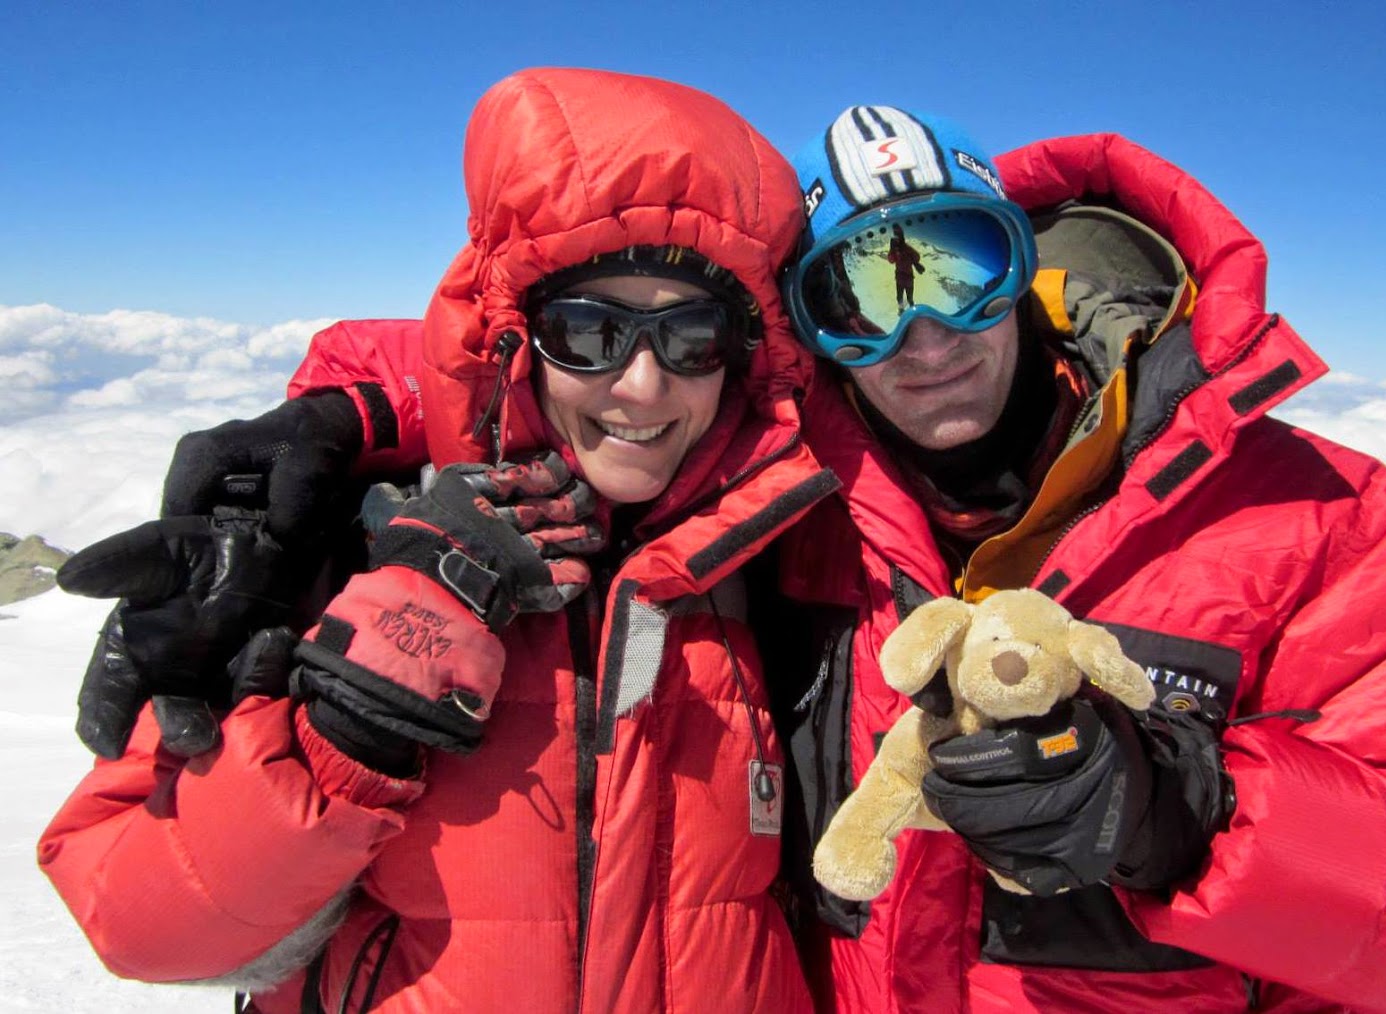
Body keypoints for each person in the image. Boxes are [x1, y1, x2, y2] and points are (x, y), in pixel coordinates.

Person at [763, 106, 1386, 1011]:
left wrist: (1189, 813)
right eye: (857, 299)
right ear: (806, 331)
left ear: (1023, 266)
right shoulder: (783, 528)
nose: (925, 337)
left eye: (961, 269)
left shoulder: (1334, 524)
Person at [38, 67, 833, 1013]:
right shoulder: (344, 538)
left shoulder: (774, 550)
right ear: (513, 339)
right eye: (587, 333)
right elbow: (147, 928)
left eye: (693, 336)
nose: (644, 385)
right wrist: (350, 727)